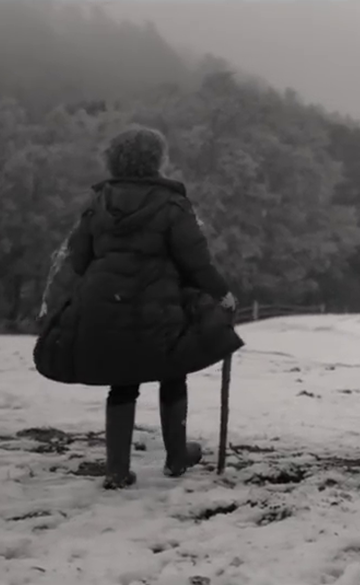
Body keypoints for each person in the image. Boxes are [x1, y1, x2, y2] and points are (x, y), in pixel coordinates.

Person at [34, 126, 244, 490]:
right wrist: (223, 294)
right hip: (158, 308)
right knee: (172, 373)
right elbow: (196, 262)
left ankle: (116, 470)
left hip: (103, 307)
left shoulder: (96, 203)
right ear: (157, 160)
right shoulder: (172, 204)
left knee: (122, 383)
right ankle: (177, 458)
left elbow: (78, 259)